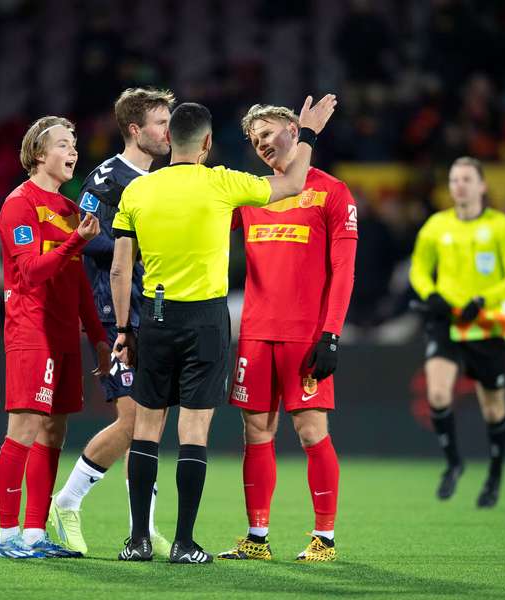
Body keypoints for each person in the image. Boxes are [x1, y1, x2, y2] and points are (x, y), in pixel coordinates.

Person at [110, 95, 337, 563]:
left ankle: (137, 541)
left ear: (167, 139)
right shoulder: (223, 183)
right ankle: (184, 542)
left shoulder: (137, 192)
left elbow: (119, 270)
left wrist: (122, 329)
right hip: (206, 320)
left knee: (147, 430)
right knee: (193, 431)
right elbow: (293, 183)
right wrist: (308, 133)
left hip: (152, 316)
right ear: (209, 143)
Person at [216, 104, 357, 563]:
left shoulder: (332, 193)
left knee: (312, 431)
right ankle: (257, 538)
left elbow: (344, 271)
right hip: (255, 333)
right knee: (255, 432)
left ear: (295, 132)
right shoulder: (253, 195)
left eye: (269, 133)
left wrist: (331, 334)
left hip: (305, 335)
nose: (262, 143)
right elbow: (208, 226)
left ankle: (325, 539)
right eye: (255, 139)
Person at [50, 88, 175, 557]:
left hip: (156, 310)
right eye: (161, 123)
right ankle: (67, 500)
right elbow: (86, 237)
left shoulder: (162, 178)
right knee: (132, 422)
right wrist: (139, 240)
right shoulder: (107, 177)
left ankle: (142, 530)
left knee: (152, 427)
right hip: (115, 312)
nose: (168, 131)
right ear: (135, 129)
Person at [0, 117, 111, 559]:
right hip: (31, 331)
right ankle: (7, 536)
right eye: (64, 143)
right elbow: (30, 272)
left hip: (64, 335)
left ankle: (32, 534)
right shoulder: (19, 205)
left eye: (75, 143)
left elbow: (77, 282)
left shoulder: (70, 210)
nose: (74, 150)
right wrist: (74, 243)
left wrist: (97, 336)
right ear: (39, 154)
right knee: (23, 428)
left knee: (54, 432)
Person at [409, 156, 505, 508]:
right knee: (438, 394)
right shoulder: (436, 226)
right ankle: (453, 463)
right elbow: (418, 269)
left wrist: (484, 299)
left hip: (487, 324)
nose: (458, 185)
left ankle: (494, 475)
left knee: (493, 409)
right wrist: (430, 295)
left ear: (482, 186)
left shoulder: (503, 227)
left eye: (465, 179)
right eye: (453, 179)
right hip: (446, 322)